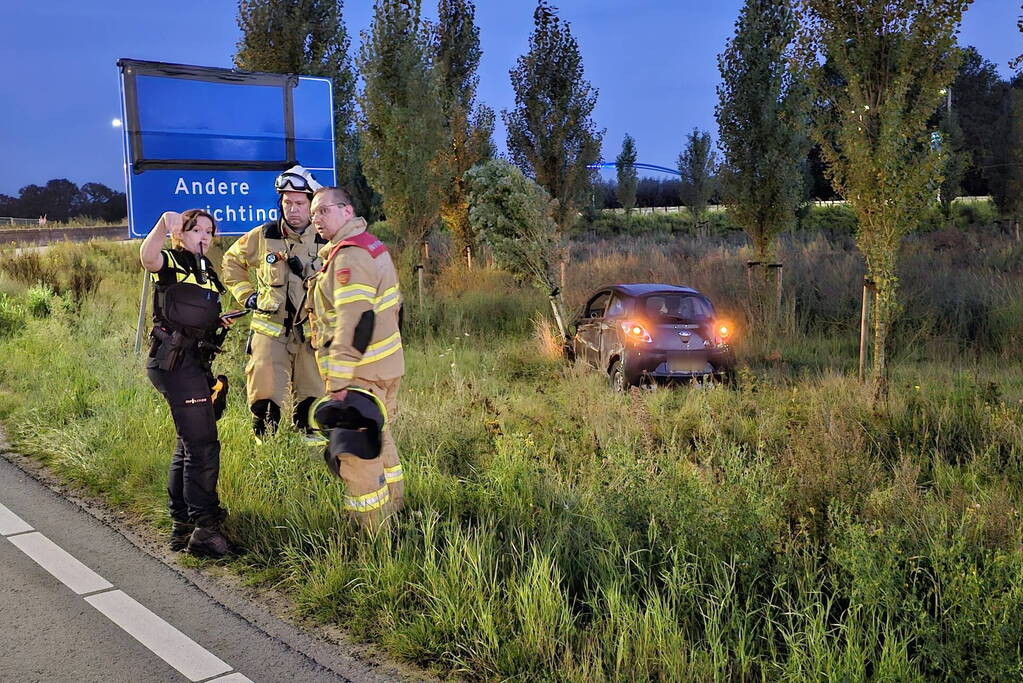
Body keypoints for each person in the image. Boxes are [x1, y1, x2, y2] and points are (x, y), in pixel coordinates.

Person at [304, 187, 405, 529]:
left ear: (347, 211)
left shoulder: (349, 257)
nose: (316, 218)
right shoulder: (369, 245)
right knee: (381, 440)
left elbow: (355, 321)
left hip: (360, 376)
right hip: (383, 368)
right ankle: (395, 509)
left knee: (356, 457)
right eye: (314, 213)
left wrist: (339, 380)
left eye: (324, 211)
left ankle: (372, 534)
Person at [139, 209, 235, 557]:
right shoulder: (173, 262)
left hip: (194, 363)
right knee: (203, 445)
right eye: (197, 230)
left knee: (188, 444)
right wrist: (163, 223)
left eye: (209, 232)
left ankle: (182, 526)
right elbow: (147, 257)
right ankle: (205, 530)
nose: (204, 237)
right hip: (174, 364)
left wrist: (217, 321)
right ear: (182, 233)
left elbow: (195, 315)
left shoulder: (208, 272)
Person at [221, 165, 327, 443]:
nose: (292, 209)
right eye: (287, 202)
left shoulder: (326, 238)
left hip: (311, 335)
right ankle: (266, 449)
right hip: (270, 332)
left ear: (311, 205)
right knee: (264, 397)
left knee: (313, 401)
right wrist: (247, 296)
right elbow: (231, 263)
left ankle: (311, 456)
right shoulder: (263, 236)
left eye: (299, 203)